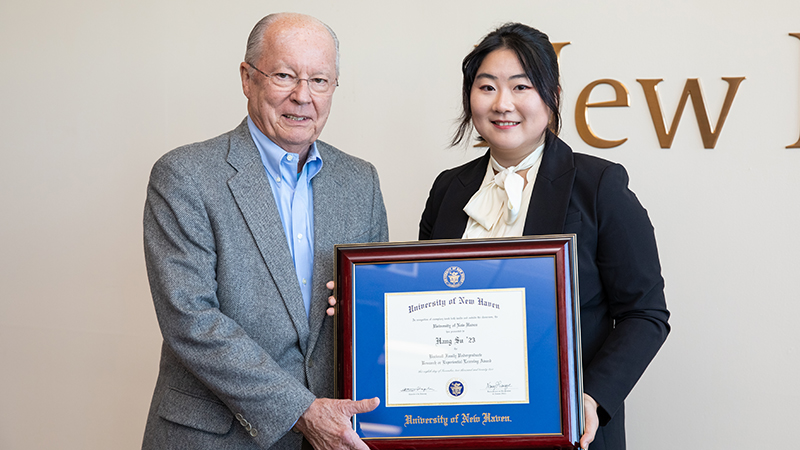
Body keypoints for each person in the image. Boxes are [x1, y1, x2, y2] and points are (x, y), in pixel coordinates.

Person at [141, 13, 388, 450]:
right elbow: (191, 319)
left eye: (319, 80)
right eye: (284, 75)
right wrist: (302, 411)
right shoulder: (185, 176)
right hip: (216, 437)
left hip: (332, 435)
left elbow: (377, 312)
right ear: (247, 78)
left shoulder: (360, 181)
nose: (302, 96)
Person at [418, 23, 670, 450]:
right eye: (487, 87)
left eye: (521, 87)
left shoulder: (599, 186)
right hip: (460, 420)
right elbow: (427, 301)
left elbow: (645, 314)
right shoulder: (448, 188)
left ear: (551, 98)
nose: (503, 104)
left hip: (568, 430)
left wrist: (591, 399)